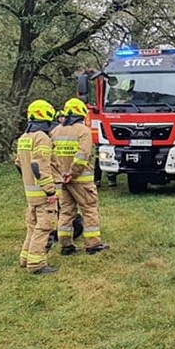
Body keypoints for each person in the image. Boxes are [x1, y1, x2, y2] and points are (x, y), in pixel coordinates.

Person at [51, 98, 109, 255]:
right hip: (80, 179)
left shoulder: (55, 131)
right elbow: (82, 155)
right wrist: (72, 173)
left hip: (62, 180)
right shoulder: (83, 131)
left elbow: (51, 157)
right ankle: (93, 245)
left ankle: (66, 245)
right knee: (89, 209)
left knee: (66, 211)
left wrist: (61, 175)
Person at [14, 99, 59, 275]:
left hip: (30, 192)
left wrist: (29, 182)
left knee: (32, 226)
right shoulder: (42, 138)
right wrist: (50, 191)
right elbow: (39, 166)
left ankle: (25, 258)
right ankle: (36, 264)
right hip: (42, 192)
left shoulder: (24, 138)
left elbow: (18, 163)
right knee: (44, 226)